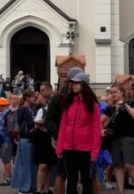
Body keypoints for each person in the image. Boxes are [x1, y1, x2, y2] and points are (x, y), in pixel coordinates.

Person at [56, 73, 100, 194]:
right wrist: (60, 148)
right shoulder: (68, 103)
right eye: (73, 83)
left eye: (77, 83)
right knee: (71, 180)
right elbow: (63, 127)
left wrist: (94, 151)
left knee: (87, 181)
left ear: (84, 84)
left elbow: (96, 129)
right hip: (68, 148)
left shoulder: (93, 105)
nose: (73, 85)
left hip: (86, 149)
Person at [46, 66, 82, 194]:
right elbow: (49, 119)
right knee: (62, 173)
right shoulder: (58, 97)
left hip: (81, 142)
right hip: (64, 141)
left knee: (84, 173)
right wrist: (57, 135)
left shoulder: (85, 97)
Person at [102, 84, 134, 194]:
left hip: (129, 137)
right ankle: (121, 191)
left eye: (115, 92)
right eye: (111, 92)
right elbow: (101, 122)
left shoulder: (130, 103)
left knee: (129, 165)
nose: (113, 94)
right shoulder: (110, 108)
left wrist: (125, 106)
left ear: (122, 93)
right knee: (117, 165)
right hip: (114, 139)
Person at [11, 89, 37, 194]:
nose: (34, 98)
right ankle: (24, 187)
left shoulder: (28, 109)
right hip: (25, 138)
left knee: (29, 163)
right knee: (25, 163)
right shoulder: (24, 109)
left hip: (28, 138)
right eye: (32, 97)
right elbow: (31, 123)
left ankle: (29, 185)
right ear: (27, 98)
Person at [33, 81, 57, 194]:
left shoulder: (55, 102)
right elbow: (35, 120)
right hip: (42, 137)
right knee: (42, 165)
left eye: (43, 90)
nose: (41, 93)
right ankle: (39, 189)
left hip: (51, 137)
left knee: (50, 165)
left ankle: (47, 189)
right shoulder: (40, 106)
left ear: (49, 90)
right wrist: (39, 123)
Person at [0, 97, 13, 186]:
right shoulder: (3, 113)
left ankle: (7, 177)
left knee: (6, 159)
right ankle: (7, 175)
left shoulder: (8, 114)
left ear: (2, 106)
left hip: (6, 139)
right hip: (3, 139)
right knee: (4, 158)